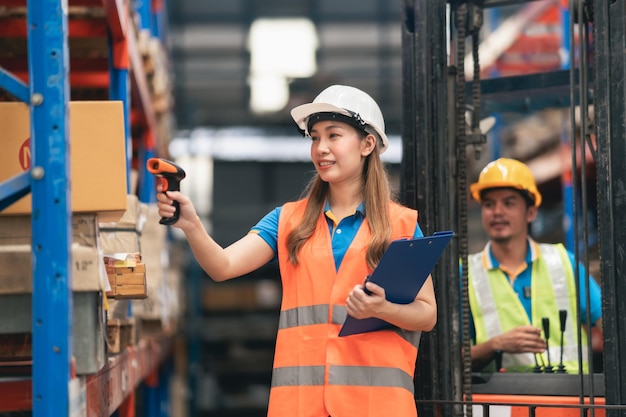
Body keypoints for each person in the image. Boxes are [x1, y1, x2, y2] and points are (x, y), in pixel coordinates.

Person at [155, 85, 437, 417]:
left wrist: (383, 308)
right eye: (315, 137)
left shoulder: (399, 225)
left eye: (334, 135)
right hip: (303, 407)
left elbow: (427, 315)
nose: (321, 148)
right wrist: (191, 225)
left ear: (367, 144)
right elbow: (223, 266)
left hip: (376, 407)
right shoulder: (289, 221)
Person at [466, 157, 602, 374]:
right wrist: (495, 345)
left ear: (531, 212)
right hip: (500, 402)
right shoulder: (467, 274)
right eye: (489, 204)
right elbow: (452, 358)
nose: (497, 212)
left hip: (570, 398)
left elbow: (609, 326)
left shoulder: (563, 262)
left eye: (508, 203)